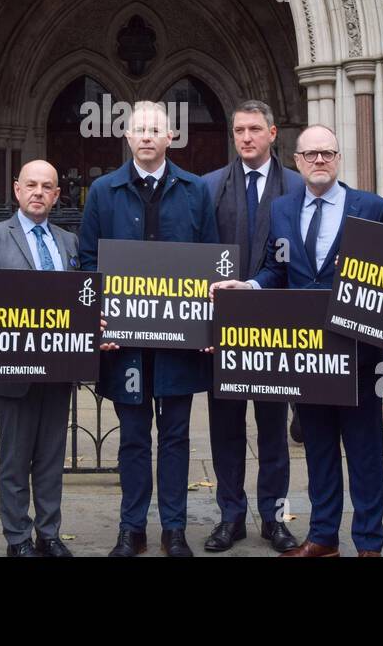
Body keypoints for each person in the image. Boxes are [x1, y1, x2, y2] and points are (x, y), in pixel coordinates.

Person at [215, 124, 383, 557]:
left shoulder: (372, 207)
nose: (318, 161)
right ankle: (324, 537)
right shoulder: (283, 209)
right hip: (308, 356)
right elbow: (279, 271)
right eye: (310, 154)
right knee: (318, 449)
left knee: (365, 451)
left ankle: (369, 542)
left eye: (327, 153)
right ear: (296, 160)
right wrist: (251, 288)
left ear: (338, 158)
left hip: (360, 353)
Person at [78, 100, 218, 557]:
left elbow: (212, 262)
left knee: (176, 437)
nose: (146, 136)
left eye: (155, 129)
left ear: (170, 136)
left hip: (179, 343)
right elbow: (88, 263)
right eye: (138, 129)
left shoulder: (196, 190)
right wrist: (101, 319)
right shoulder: (103, 190)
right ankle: (131, 527)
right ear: (127, 135)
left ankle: (174, 529)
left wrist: (206, 322)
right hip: (124, 345)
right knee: (134, 438)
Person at [0, 160, 79, 558]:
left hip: (58, 369)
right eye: (31, 185)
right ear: (17, 190)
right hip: (10, 370)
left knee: (52, 458)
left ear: (57, 195)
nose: (38, 192)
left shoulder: (69, 242)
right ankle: (18, 539)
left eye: (47, 187)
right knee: (14, 458)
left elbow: (81, 300)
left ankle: (49, 533)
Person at [200, 100, 302, 552]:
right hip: (221, 333)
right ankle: (230, 517)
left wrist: (256, 285)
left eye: (254, 129)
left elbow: (299, 261)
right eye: (239, 129)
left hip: (274, 330)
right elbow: (196, 256)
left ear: (273, 133)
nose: (246, 137)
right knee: (225, 430)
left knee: (274, 432)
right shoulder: (208, 187)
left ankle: (274, 520)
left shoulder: (297, 187)